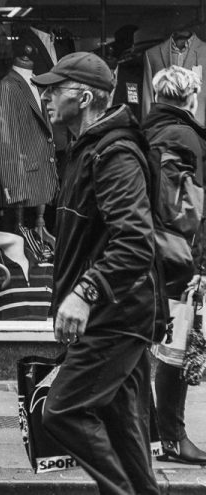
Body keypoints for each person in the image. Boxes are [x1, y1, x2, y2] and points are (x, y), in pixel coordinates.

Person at [33, 52, 162, 495]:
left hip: (115, 318)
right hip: (116, 315)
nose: (45, 97)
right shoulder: (87, 148)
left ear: (85, 97)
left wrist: (85, 292)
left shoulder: (114, 153)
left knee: (62, 411)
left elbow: (135, 242)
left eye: (55, 90)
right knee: (125, 433)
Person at [142, 65, 206, 464]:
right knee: (176, 348)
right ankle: (171, 437)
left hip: (151, 253)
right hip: (180, 257)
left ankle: (154, 435)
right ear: (191, 98)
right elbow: (189, 208)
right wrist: (196, 260)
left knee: (157, 346)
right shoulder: (184, 137)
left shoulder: (147, 131)